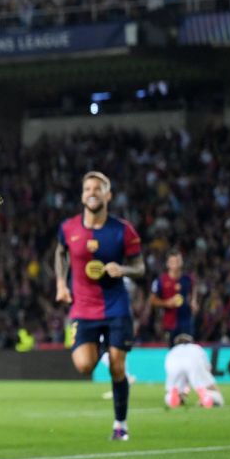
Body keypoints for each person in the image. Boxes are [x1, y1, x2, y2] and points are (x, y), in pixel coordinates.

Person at [54, 170, 145, 441]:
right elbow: (60, 252)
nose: (91, 193)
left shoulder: (123, 230)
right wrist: (61, 284)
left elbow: (140, 267)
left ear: (108, 195)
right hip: (83, 308)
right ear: (82, 195)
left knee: (117, 368)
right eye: (87, 189)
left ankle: (120, 425)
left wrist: (123, 269)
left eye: (97, 188)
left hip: (115, 307)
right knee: (84, 365)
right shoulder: (68, 228)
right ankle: (104, 347)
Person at [163, 334, 225, 409]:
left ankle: (174, 398)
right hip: (193, 362)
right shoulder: (196, 348)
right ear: (191, 342)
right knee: (213, 393)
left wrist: (184, 388)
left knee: (173, 390)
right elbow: (207, 368)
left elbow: (168, 369)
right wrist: (210, 385)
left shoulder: (172, 352)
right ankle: (206, 396)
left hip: (174, 366)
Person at [150, 250, 197, 343]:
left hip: (186, 323)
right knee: (171, 349)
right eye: (173, 262)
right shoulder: (160, 280)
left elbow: (194, 290)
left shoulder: (188, 279)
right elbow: (152, 300)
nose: (176, 264)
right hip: (169, 324)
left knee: (187, 349)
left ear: (182, 262)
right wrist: (166, 303)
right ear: (168, 264)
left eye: (178, 261)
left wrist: (194, 301)